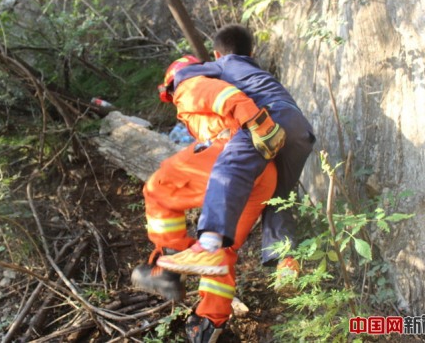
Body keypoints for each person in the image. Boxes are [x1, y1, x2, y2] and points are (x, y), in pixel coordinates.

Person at [131, 55, 284, 342]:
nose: (175, 102)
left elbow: (226, 96)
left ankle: (170, 266)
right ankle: (209, 325)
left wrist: (257, 122)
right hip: (264, 174)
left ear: (171, 85)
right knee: (222, 250)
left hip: (233, 155)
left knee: (158, 188)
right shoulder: (210, 88)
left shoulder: (189, 82)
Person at [169, 24, 316, 273]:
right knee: (279, 196)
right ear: (251, 53)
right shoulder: (256, 71)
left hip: (267, 116)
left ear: (217, 54)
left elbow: (187, 77)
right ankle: (287, 263)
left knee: (229, 167)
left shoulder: (223, 65)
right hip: (300, 128)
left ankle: (208, 244)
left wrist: (178, 83)